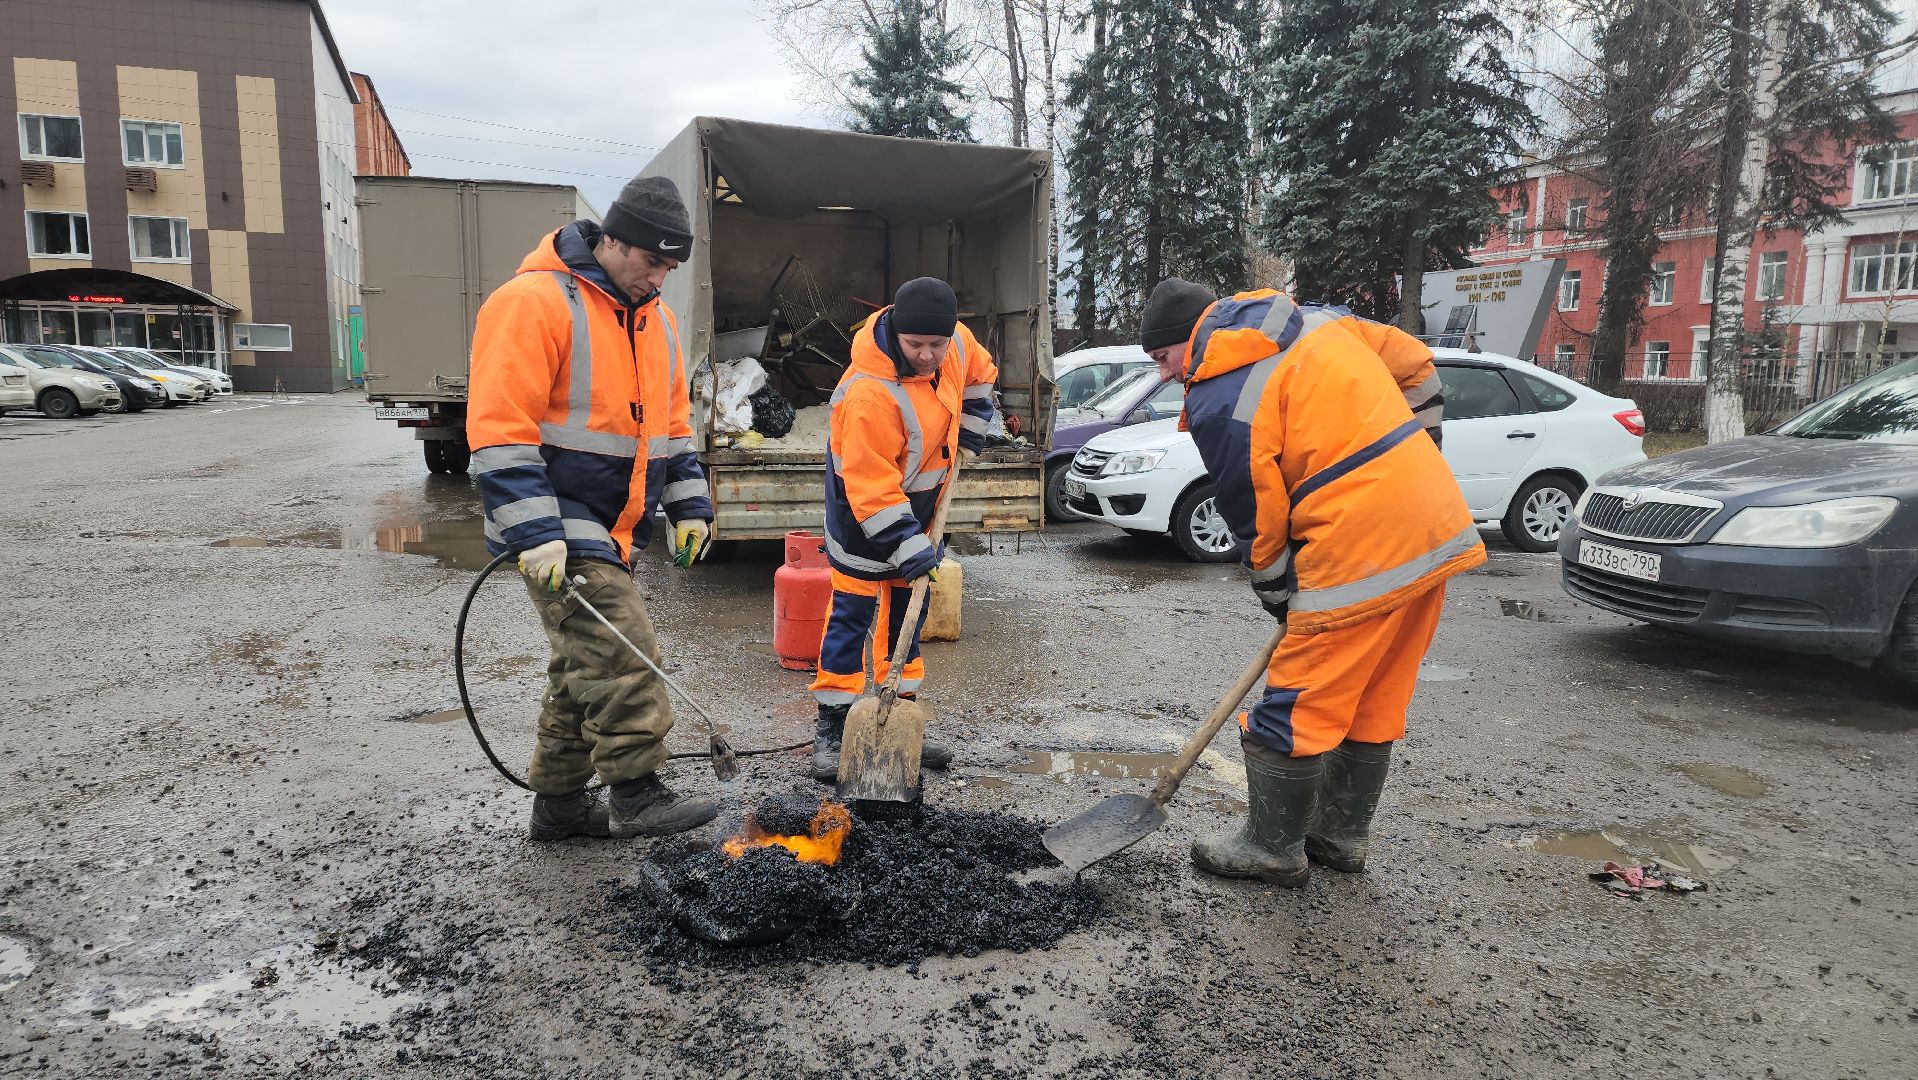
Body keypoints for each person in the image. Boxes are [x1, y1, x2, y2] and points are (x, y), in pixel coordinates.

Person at [1138, 278, 1480, 886]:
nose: (1165, 375)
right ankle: (1339, 837)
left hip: (1359, 540)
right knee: (1374, 691)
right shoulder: (1317, 322)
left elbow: (1253, 513)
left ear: (1188, 339)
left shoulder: (1223, 394)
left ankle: (1272, 847)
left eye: (1163, 359)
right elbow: (1417, 366)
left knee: (1297, 696)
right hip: (1433, 523)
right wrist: (1418, 452)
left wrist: (1277, 594)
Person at [467, 174, 719, 841]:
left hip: (613, 523)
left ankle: (561, 806)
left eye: (671, 266)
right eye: (652, 260)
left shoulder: (657, 321)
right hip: (553, 513)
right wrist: (536, 531)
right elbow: (499, 426)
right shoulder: (531, 303)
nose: (660, 277)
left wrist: (689, 503)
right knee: (618, 645)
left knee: (582, 663)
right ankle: (635, 791)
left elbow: (671, 424)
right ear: (613, 239)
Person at [808, 277, 998, 782]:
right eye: (918, 346)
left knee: (907, 617)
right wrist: (909, 548)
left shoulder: (955, 341)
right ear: (896, 331)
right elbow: (870, 487)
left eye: (937, 345)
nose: (930, 355)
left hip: (923, 505)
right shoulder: (870, 395)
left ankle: (902, 712)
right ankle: (832, 726)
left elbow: (979, 373)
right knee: (853, 613)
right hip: (863, 511)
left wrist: (977, 425)